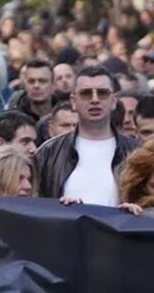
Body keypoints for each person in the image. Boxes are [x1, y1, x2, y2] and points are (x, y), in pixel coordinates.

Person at [35, 65, 139, 205]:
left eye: (102, 93)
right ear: (73, 101)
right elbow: (35, 207)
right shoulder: (48, 153)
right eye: (86, 93)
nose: (94, 99)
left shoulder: (136, 153)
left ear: (114, 101)